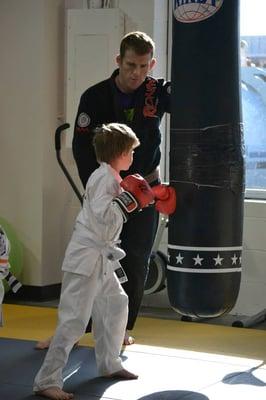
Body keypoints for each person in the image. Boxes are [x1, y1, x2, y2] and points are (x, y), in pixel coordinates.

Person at [35, 30, 171, 350]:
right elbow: (83, 149)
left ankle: (120, 330)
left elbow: (194, 105)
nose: (135, 73)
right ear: (117, 61)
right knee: (91, 264)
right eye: (129, 65)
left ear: (151, 64)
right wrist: (96, 192)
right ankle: (70, 331)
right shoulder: (94, 96)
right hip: (105, 191)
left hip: (144, 190)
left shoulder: (157, 93)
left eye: (142, 66)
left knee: (135, 261)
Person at [33, 122, 158, 400]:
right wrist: (129, 200)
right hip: (86, 258)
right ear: (120, 152)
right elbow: (105, 216)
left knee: (116, 304)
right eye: (131, 152)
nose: (133, 157)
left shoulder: (111, 177)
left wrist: (130, 198)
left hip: (101, 257)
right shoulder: (104, 179)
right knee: (74, 321)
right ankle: (47, 380)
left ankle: (109, 363)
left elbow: (110, 218)